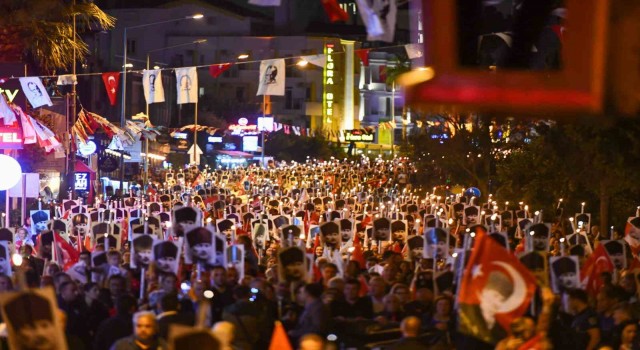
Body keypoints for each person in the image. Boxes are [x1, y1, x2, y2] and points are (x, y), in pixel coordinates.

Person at [458, 270, 512, 345]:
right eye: (495, 295)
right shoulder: (465, 317)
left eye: (501, 299)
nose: (496, 302)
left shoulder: (501, 331)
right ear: (483, 293)